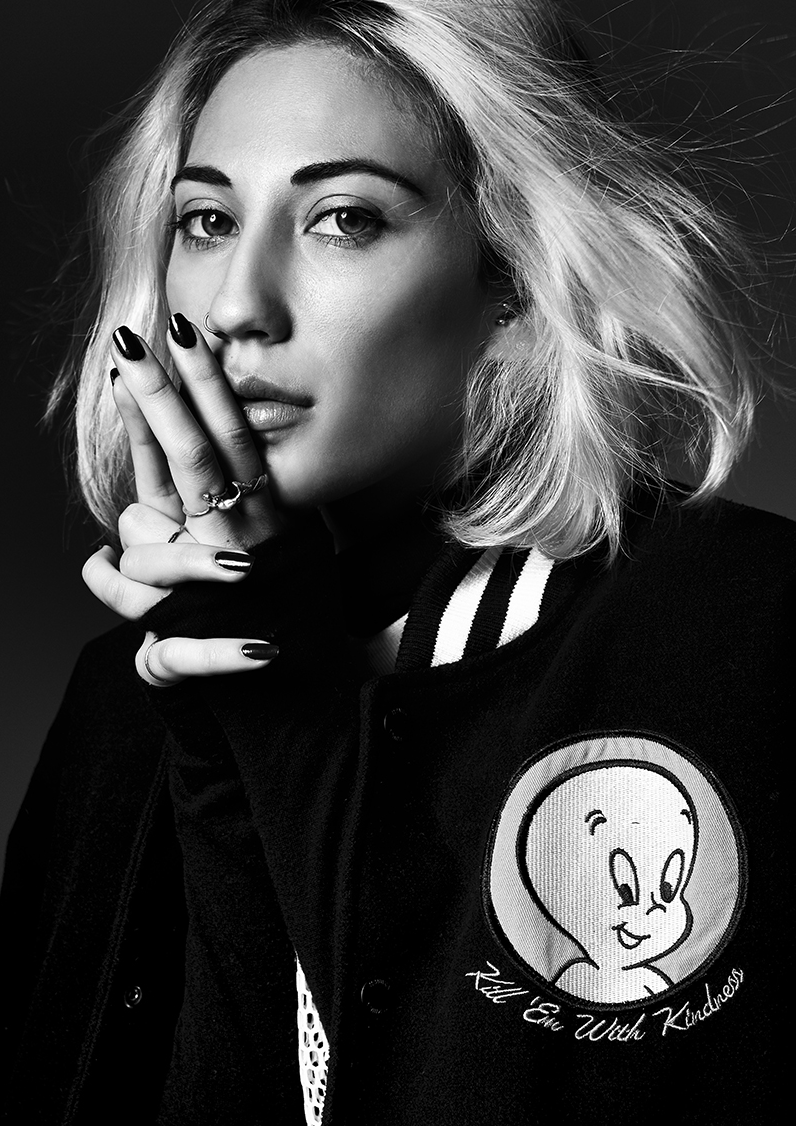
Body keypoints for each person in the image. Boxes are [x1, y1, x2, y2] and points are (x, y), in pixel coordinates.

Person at [1, 0, 792, 1122]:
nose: (235, 307)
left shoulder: (751, 632)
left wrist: (296, 727)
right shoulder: (129, 694)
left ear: (513, 274)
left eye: (343, 219)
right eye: (206, 222)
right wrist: (243, 738)